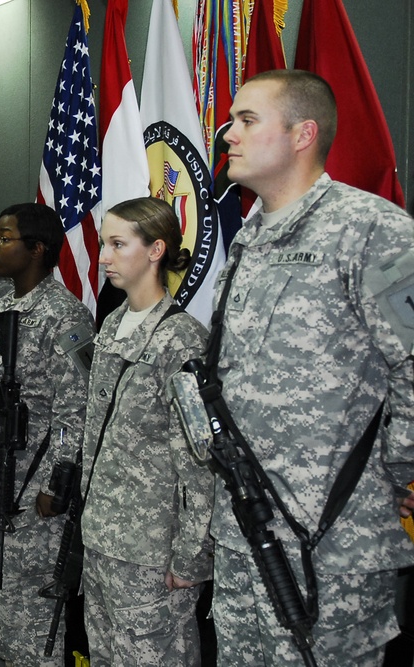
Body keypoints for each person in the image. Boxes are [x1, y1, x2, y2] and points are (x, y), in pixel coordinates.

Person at [213, 68, 414, 665]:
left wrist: (399, 470)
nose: (229, 134)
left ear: (304, 134)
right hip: (247, 530)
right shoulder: (250, 239)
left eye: (248, 120)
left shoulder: (372, 231)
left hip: (333, 542)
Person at [79, 197, 213, 666]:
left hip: (151, 549)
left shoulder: (181, 339)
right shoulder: (113, 324)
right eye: (102, 243)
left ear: (156, 250)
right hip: (101, 535)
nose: (104, 256)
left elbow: (200, 460)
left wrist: (191, 556)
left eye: (118, 244)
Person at [0, 203, 93, 667]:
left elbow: (75, 407)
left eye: (4, 237)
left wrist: (56, 481)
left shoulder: (66, 317)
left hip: (29, 481)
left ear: (37, 249)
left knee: (30, 594)